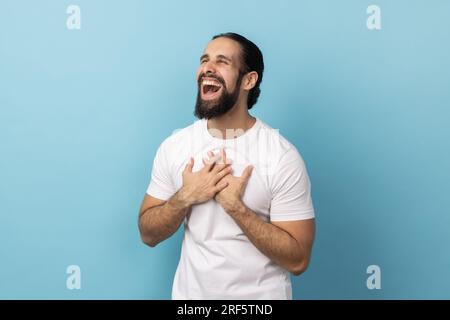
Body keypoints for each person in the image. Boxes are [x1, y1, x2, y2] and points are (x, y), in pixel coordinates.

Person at [138, 32, 315, 299]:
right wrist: (184, 197)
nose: (207, 68)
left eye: (222, 61)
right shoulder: (175, 146)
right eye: (204, 60)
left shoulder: (281, 156)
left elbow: (298, 260)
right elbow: (148, 234)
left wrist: (236, 207)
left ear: (249, 80)